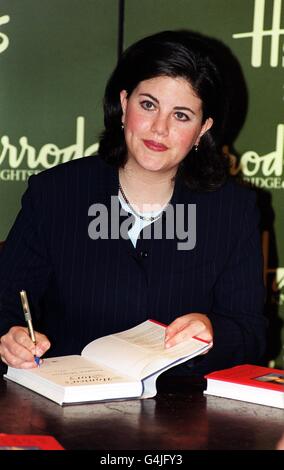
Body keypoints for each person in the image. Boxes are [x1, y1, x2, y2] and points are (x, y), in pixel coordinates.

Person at [0, 30, 266, 376]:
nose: (159, 128)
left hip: (183, 416)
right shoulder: (54, 193)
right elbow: (6, 303)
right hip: (64, 407)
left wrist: (214, 332)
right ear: (124, 104)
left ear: (203, 128)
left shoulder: (233, 210)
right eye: (148, 105)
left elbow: (252, 335)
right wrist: (11, 336)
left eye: (181, 115)